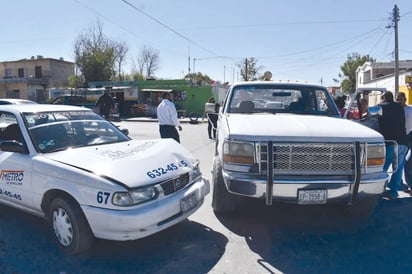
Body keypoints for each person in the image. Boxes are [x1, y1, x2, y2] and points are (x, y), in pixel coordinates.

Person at [378, 91, 409, 199]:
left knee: (381, 169)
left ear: (383, 98)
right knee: (398, 169)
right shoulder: (400, 107)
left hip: (391, 143)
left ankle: (378, 189)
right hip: (403, 143)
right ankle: (393, 191)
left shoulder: (381, 107)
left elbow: (370, 118)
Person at [395, 92, 412, 194]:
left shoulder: (410, 109)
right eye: (397, 99)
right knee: (399, 162)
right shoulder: (395, 111)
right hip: (400, 137)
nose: (399, 101)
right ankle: (400, 184)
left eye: (400, 99)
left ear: (405, 100)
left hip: (410, 134)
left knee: (408, 161)